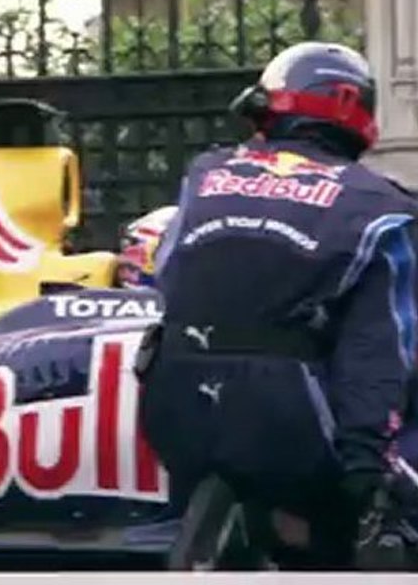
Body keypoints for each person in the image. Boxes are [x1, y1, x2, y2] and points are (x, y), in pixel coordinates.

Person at [136, 41, 418, 568]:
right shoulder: (385, 208)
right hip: (292, 421)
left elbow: (166, 275)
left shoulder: (205, 174)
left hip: (173, 406)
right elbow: (380, 350)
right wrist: (371, 477)